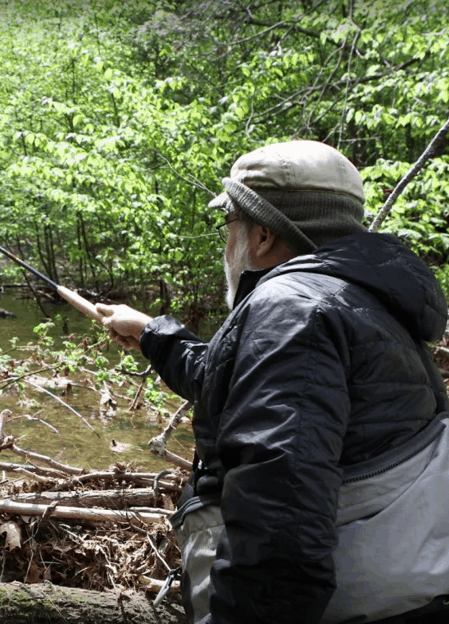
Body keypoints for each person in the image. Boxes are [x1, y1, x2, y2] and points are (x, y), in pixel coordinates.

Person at [95, 140, 449, 624]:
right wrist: (152, 333)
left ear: (261, 236)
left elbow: (280, 517)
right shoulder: (356, 297)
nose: (226, 241)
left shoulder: (291, 311)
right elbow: (235, 385)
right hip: (403, 593)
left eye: (229, 225)